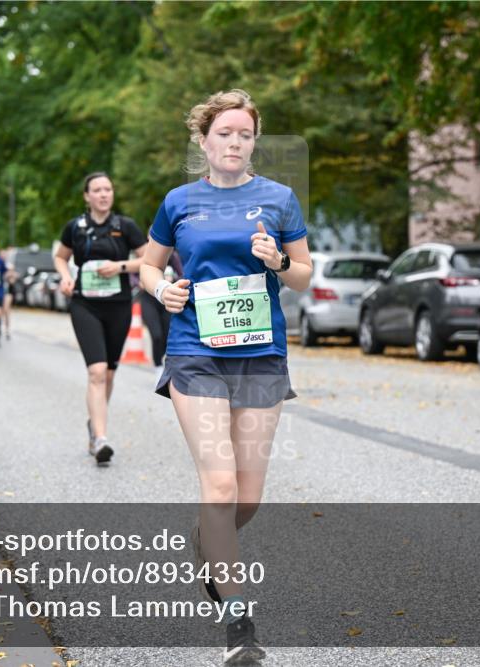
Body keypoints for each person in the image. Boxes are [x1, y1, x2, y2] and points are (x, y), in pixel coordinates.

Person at [138, 89, 312, 665]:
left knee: (248, 495)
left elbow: (306, 275)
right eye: (224, 133)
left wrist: (280, 262)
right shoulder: (179, 201)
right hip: (196, 353)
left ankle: (212, 545)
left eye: (245, 133)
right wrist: (162, 289)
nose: (235, 142)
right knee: (219, 487)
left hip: (261, 355)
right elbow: (148, 262)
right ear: (204, 141)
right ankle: (239, 624)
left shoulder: (280, 199)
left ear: (253, 141)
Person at [54, 172, 147, 464]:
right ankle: (101, 438)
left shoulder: (126, 226)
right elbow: (60, 256)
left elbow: (150, 259)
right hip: (85, 306)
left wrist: (119, 266)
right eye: (97, 190)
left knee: (108, 374)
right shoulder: (75, 227)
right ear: (87, 196)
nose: (104, 194)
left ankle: (94, 425)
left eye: (108, 189)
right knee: (96, 370)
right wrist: (66, 276)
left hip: (118, 306)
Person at [137, 250, 183, 382]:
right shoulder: (147, 257)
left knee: (166, 335)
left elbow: (181, 274)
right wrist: (139, 282)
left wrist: (173, 279)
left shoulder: (173, 257)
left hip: (166, 301)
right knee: (156, 335)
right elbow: (134, 276)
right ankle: (158, 367)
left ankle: (164, 362)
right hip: (149, 300)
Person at [0, 246, 17, 341]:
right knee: (0, 311)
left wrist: (10, 276)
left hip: (7, 291)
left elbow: (13, 280)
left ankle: (7, 329)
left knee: (6, 310)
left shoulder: (9, 266)